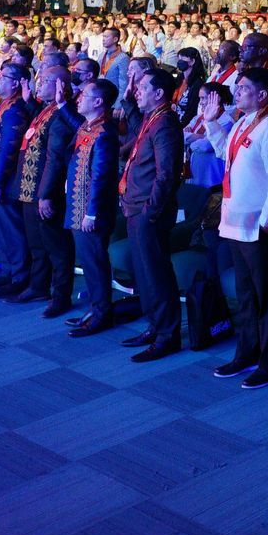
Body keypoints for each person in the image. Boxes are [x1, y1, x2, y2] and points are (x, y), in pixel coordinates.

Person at [213, 66, 268, 387]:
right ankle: (247, 351)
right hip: (234, 221)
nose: (236, 91)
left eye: (244, 87)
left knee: (267, 296)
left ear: (262, 95)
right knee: (246, 294)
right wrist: (210, 123)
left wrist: (267, 221)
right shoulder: (243, 122)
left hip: (257, 226)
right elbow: (227, 155)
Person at [120, 66, 187, 362]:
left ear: (159, 93)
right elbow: (137, 136)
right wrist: (128, 103)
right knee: (145, 273)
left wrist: (150, 212)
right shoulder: (152, 117)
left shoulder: (166, 123)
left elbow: (167, 174)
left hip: (149, 211)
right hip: (136, 207)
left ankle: (167, 336)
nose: (137, 90)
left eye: (142, 87)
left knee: (156, 274)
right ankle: (155, 326)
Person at [17, 66, 79, 317]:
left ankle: (60, 296)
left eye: (43, 81)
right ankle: (38, 286)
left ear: (59, 86)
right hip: (31, 188)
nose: (38, 84)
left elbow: (54, 159)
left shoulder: (63, 115)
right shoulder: (47, 108)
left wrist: (45, 195)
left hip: (47, 191)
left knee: (57, 248)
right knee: (38, 243)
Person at [65, 80, 122, 336]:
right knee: (88, 262)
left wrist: (92, 212)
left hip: (90, 210)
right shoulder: (89, 126)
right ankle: (95, 308)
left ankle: (102, 314)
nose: (79, 97)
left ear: (98, 102)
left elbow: (102, 175)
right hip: (78, 205)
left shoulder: (105, 132)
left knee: (95, 261)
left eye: (85, 94)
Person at [0, 62, 37, 300]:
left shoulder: (16, 109)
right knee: (0, 230)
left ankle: (20, 276)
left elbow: (8, 149)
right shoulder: (4, 105)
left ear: (15, 83)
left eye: (3, 77)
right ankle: (8, 271)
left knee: (11, 231)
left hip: (5, 180)